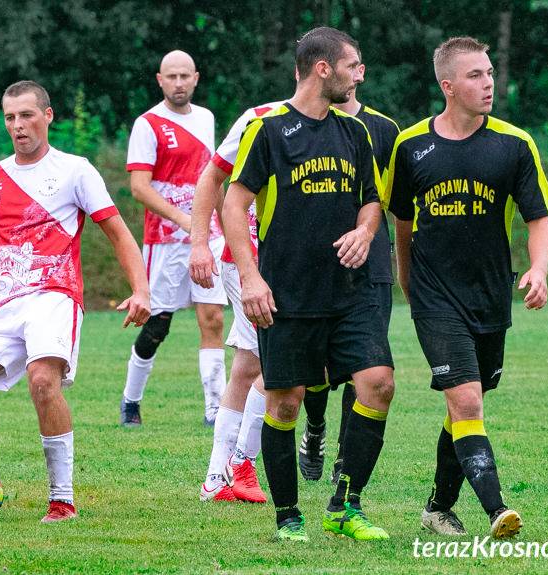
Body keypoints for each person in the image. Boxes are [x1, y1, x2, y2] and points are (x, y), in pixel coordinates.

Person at [0, 81, 150, 523]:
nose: (18, 125)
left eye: (26, 115)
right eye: (10, 117)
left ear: (48, 116)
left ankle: (62, 500)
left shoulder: (75, 170)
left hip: (54, 296)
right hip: (4, 303)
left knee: (43, 381)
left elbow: (118, 232)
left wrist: (141, 290)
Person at [223, 27, 395, 542]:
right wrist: (250, 278)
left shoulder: (355, 132)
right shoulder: (269, 131)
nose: (357, 74)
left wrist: (365, 232)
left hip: (352, 292)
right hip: (287, 294)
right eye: (352, 65)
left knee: (379, 383)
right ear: (324, 68)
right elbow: (234, 205)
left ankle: (346, 506)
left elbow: (372, 198)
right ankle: (287, 515)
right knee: (286, 402)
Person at [387, 37, 548, 539]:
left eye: (489, 73)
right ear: (448, 86)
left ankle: (438, 507)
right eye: (475, 76)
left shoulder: (514, 144)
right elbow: (401, 223)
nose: (488, 84)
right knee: (467, 402)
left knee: (466, 404)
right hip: (434, 298)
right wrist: (407, 282)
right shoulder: (411, 146)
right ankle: (496, 511)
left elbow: (539, 219)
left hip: (489, 297)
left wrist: (540, 269)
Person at [297, 52, 400, 484]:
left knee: (367, 367)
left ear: (361, 72)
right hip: (318, 262)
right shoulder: (300, 125)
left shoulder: (383, 129)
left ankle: (345, 458)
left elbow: (388, 199)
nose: (355, 71)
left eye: (360, 64)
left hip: (370, 264)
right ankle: (316, 427)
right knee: (318, 368)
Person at [120, 50, 228, 427]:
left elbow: (211, 178)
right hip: (165, 240)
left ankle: (215, 409)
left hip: (207, 236)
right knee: (157, 324)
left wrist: (222, 224)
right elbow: (138, 187)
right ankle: (131, 401)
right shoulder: (147, 124)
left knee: (212, 317)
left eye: (185, 76)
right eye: (172, 76)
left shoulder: (206, 119)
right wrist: (182, 218)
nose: (179, 83)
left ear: (196, 78)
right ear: (160, 80)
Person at [190, 101, 284, 503]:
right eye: (349, 67)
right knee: (276, 366)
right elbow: (213, 175)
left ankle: (216, 477)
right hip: (248, 261)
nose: (357, 77)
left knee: (250, 366)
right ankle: (241, 462)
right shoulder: (259, 117)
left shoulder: (349, 125)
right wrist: (199, 243)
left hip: (296, 265)